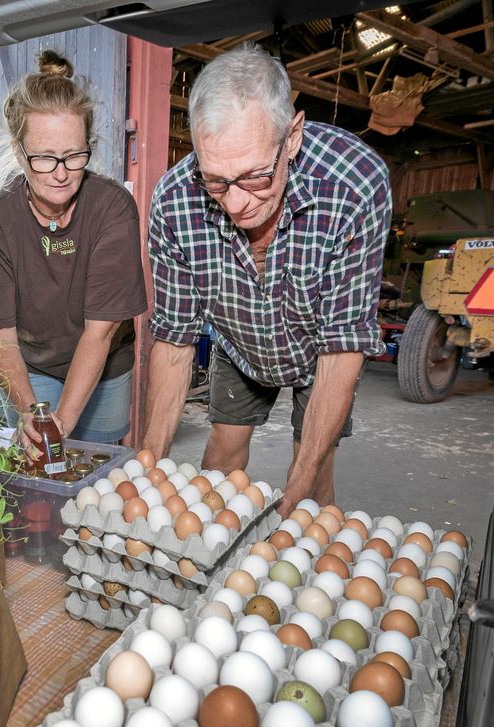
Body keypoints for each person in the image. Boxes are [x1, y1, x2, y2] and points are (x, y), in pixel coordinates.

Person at [143, 44, 391, 515]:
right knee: (217, 468)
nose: (237, 204)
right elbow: (174, 343)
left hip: (320, 350)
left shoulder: (354, 184)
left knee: (312, 490)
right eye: (216, 181)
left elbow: (342, 348)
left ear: (291, 137)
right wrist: (148, 468)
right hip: (239, 341)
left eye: (255, 177)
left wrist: (295, 490)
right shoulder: (175, 201)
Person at [0, 51, 146, 452]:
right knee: (39, 452)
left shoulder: (112, 208)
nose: (60, 173)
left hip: (104, 363)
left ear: (87, 146)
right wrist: (38, 419)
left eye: (73, 156)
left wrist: (65, 421)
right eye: (44, 158)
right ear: (18, 150)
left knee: (98, 464)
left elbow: (102, 330)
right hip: (34, 363)